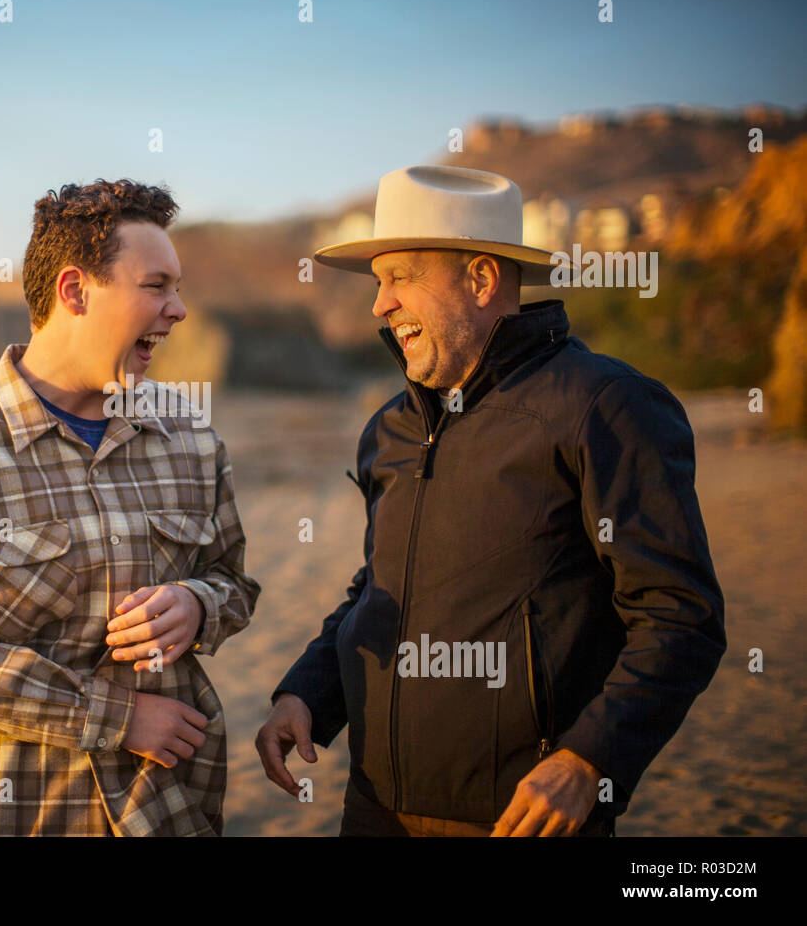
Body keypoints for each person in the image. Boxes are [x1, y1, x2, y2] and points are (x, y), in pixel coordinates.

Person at [256, 165, 726, 836]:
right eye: (376, 281)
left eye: (400, 277)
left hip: (521, 820)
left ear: (480, 279)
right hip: (374, 810)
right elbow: (378, 587)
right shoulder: (387, 430)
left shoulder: (605, 406)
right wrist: (308, 692)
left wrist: (590, 760)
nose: (378, 304)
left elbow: (681, 616)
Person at [0, 178, 259, 835]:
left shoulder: (191, 437)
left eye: (178, 288)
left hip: (175, 812)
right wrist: (114, 718)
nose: (180, 310)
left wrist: (199, 604)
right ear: (75, 291)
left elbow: (236, 585)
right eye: (157, 286)